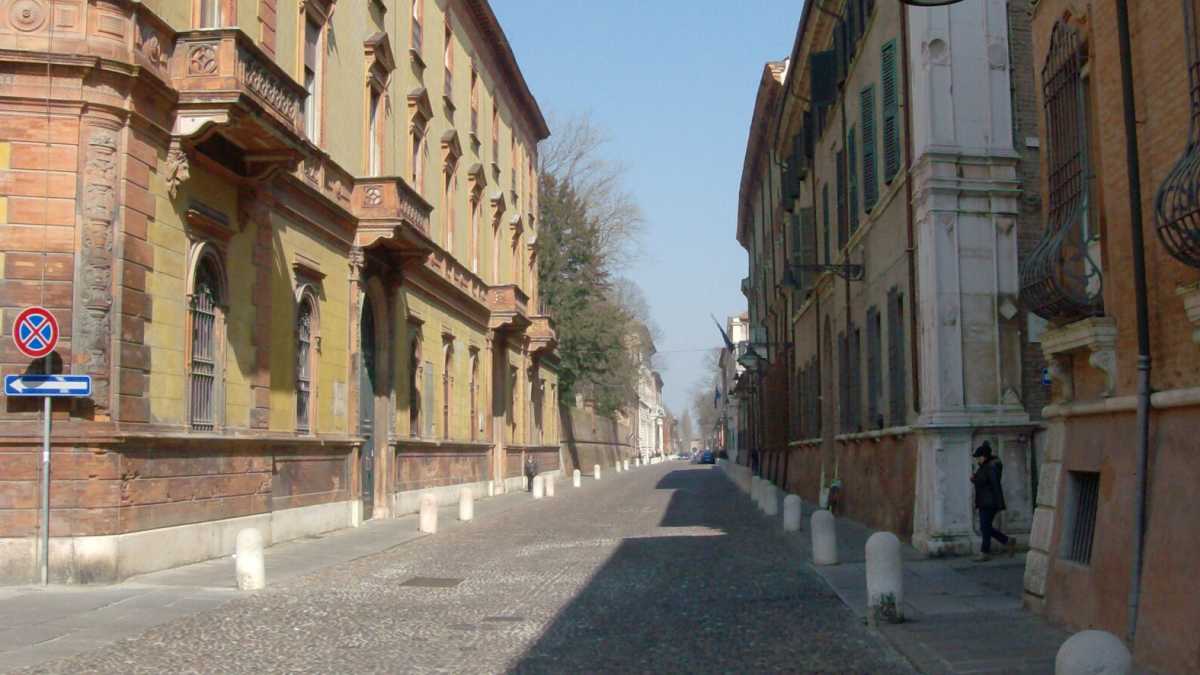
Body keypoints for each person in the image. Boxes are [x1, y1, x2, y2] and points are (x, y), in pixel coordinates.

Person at [970, 441, 1014, 561]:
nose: (977, 460)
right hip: (985, 501)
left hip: (989, 502)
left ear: (984, 457)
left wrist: (999, 503)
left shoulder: (991, 467)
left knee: (985, 527)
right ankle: (1007, 541)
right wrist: (975, 479)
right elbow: (983, 482)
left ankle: (985, 552)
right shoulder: (986, 467)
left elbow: (995, 485)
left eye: (978, 457)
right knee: (986, 527)